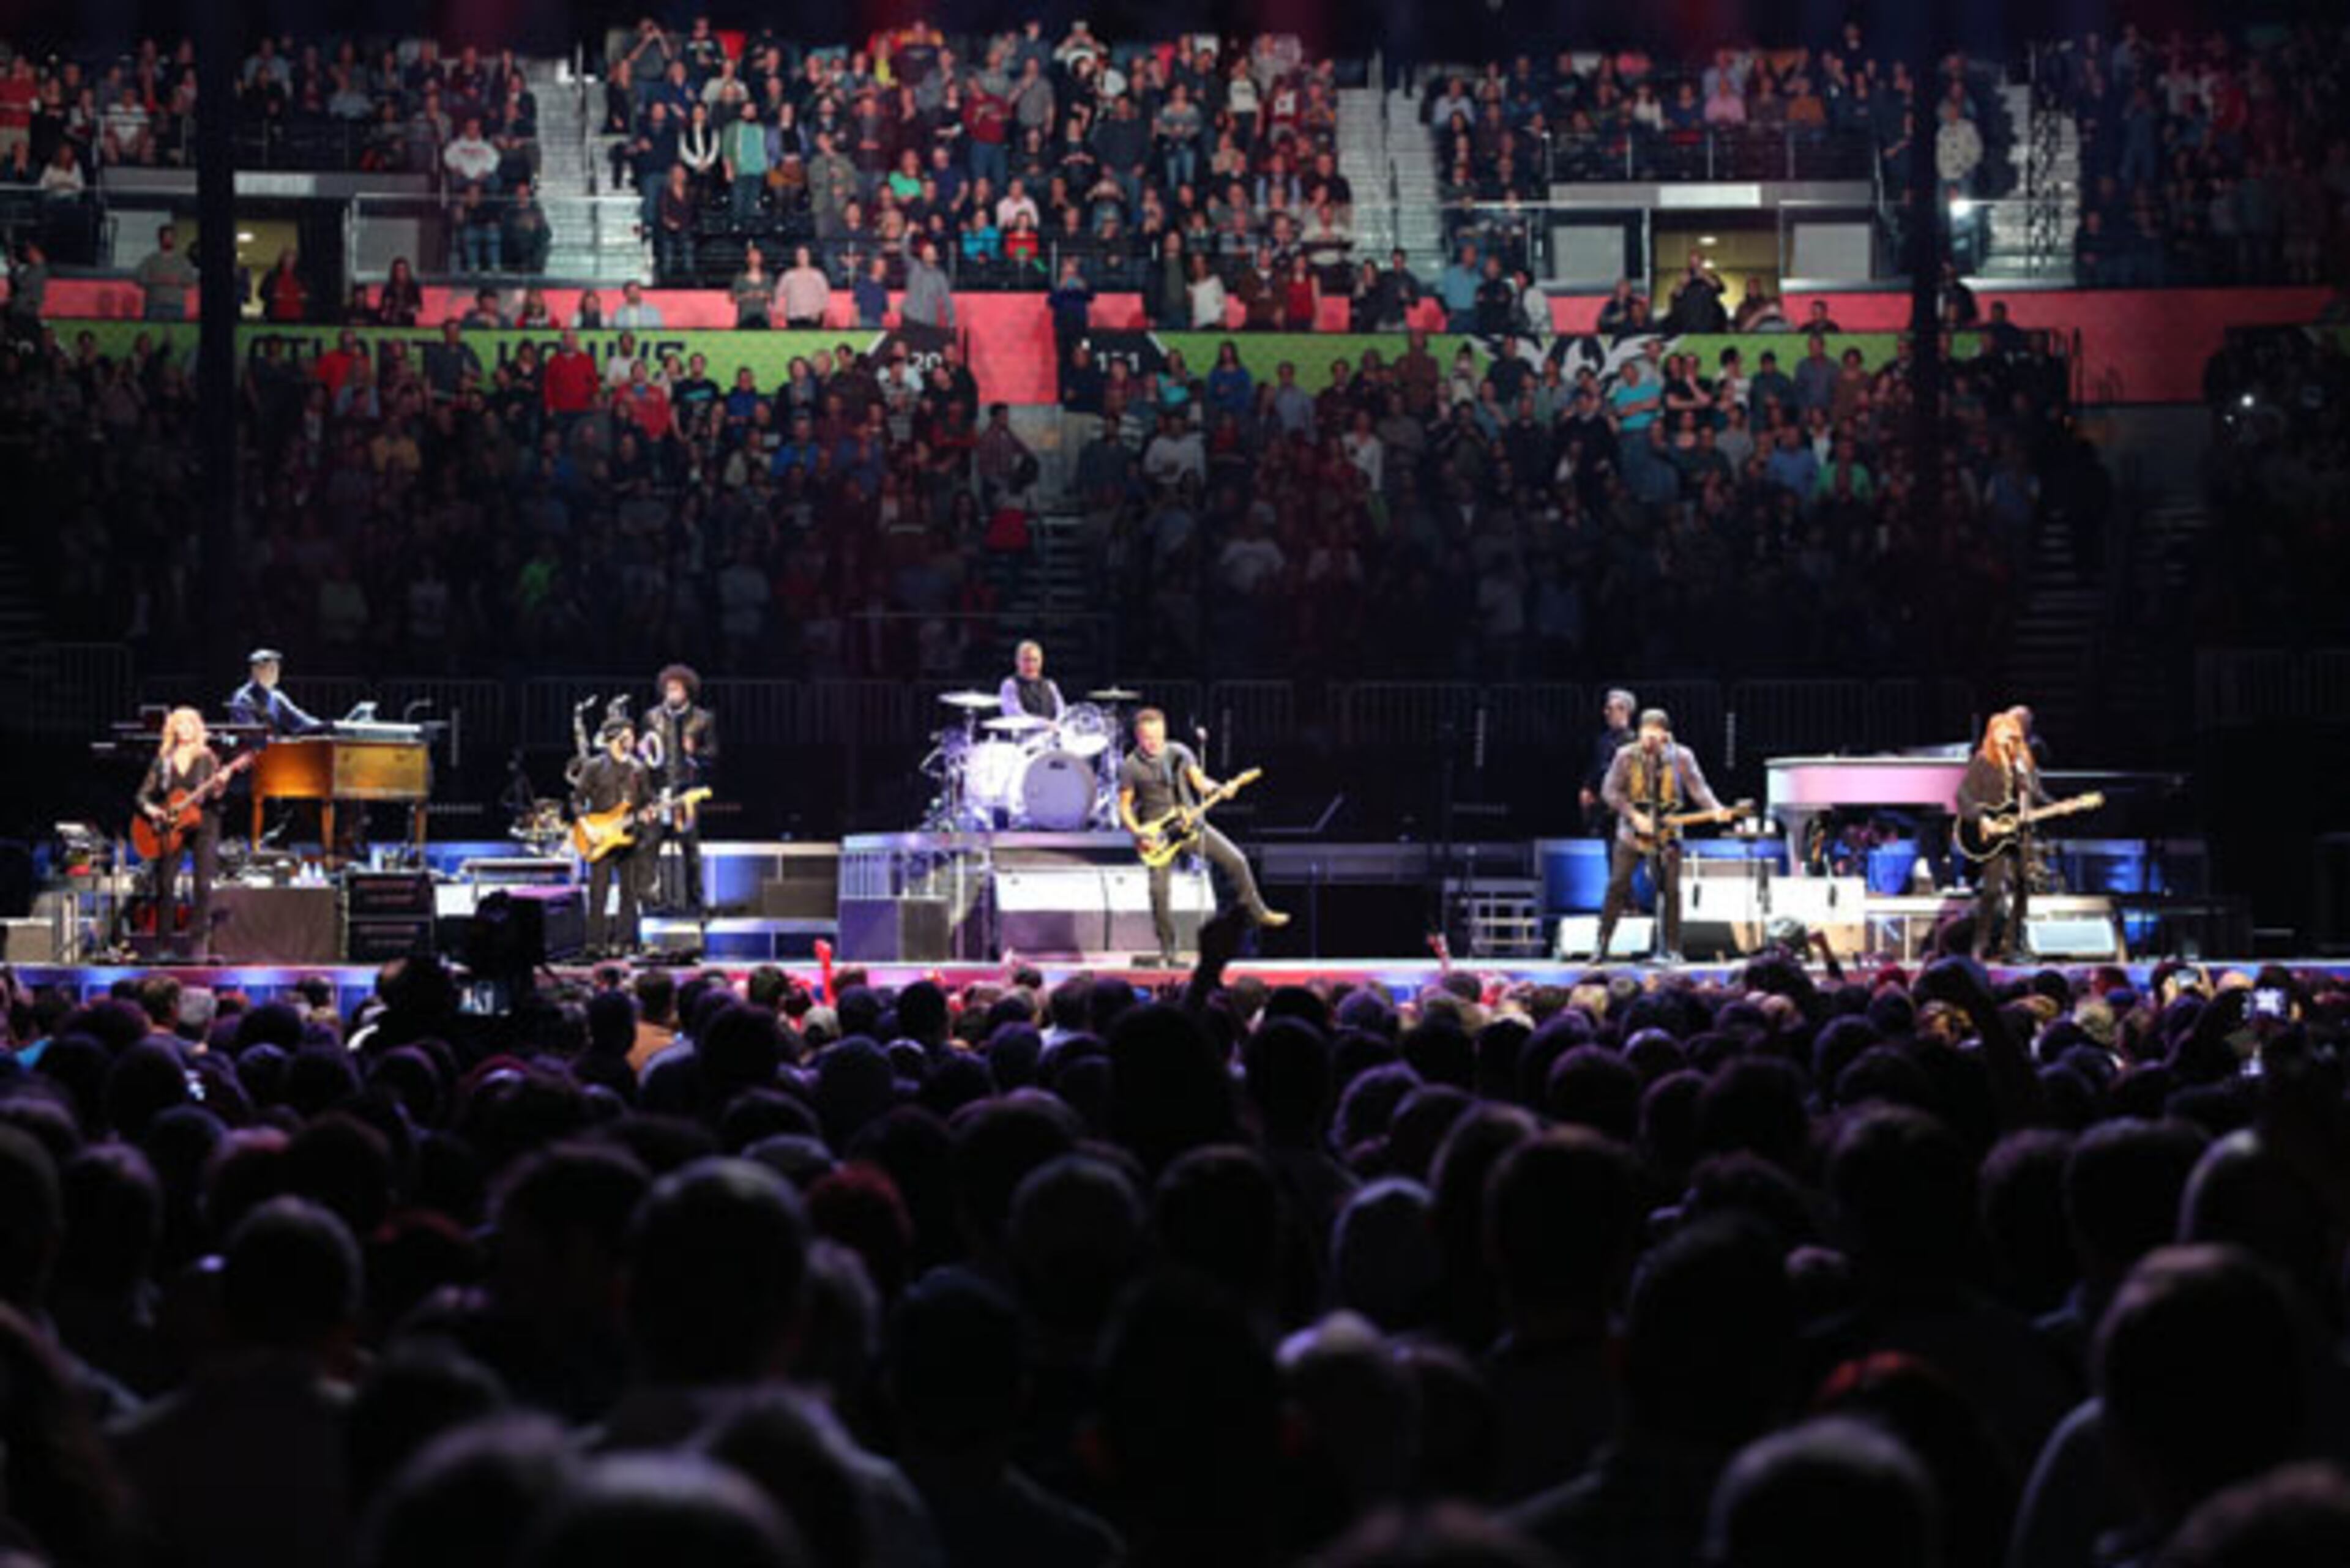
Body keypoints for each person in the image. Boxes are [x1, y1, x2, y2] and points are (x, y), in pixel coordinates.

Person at [1117, 707, 1285, 967]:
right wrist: (1138, 832)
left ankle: (1256, 910)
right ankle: (1168, 951)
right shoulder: (1130, 766)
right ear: (1138, 736)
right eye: (1148, 738)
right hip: (1158, 836)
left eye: (1159, 737)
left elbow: (1200, 783)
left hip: (1190, 826)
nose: (1154, 743)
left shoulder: (1179, 753)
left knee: (1237, 860)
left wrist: (1219, 788)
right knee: (1159, 892)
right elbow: (1125, 807)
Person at [1595, 708, 1725, 963]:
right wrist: (1634, 816)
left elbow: (1698, 787)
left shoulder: (1682, 756)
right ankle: (1602, 944)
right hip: (1631, 833)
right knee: (1617, 885)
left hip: (1667, 832)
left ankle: (1673, 949)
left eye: (1654, 736)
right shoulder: (1625, 756)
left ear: (1665, 735)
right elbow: (1609, 791)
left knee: (1670, 890)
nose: (1649, 741)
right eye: (1645, 735)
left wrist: (1716, 809)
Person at [1955, 707, 2048, 963]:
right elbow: (1963, 795)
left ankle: (2013, 945)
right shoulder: (1985, 760)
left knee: (2022, 888)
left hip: (2021, 833)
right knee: (1992, 891)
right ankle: (1980, 945)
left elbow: (2036, 793)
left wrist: (2059, 805)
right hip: (1997, 834)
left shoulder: (2025, 761)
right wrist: (1981, 817)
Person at [135, 707, 221, 961]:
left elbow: (215, 795)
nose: (184, 729)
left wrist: (221, 785)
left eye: (189, 724)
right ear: (173, 730)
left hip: (204, 823)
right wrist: (153, 811)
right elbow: (142, 796)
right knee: (165, 884)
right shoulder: (164, 760)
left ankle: (198, 946)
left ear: (197, 729)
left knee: (203, 885)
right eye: (179, 725)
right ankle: (163, 945)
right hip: (171, 826)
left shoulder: (207, 757)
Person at [639, 663, 717, 916]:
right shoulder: (652, 717)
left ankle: (696, 902)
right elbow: (645, 756)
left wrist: (695, 752)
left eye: (676, 689)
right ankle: (649, 900)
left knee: (690, 848)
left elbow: (713, 755)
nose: (670, 694)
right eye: (667, 689)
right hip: (658, 792)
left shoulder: (703, 719)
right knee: (650, 845)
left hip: (686, 794)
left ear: (687, 691)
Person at [575, 717, 649, 958]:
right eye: (629, 735)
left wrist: (649, 814)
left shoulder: (638, 769)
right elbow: (576, 800)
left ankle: (624, 942)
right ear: (617, 738)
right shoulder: (594, 766)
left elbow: (647, 801)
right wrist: (587, 826)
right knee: (599, 892)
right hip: (599, 836)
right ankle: (595, 944)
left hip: (629, 836)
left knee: (630, 893)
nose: (634, 739)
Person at [228, 647, 327, 736]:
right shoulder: (243, 698)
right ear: (255, 671)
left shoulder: (277, 697)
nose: (275, 673)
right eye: (270, 669)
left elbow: (300, 721)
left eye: (276, 668)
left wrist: (327, 726)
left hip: (273, 750)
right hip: (249, 752)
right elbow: (248, 731)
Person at [1579, 687, 1636, 837]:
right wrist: (1588, 788)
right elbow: (1596, 768)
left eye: (1611, 709)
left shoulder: (1635, 742)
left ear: (1625, 711)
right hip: (1605, 809)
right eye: (1607, 709)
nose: (1606, 713)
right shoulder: (1602, 741)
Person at [134, 223, 196, 321]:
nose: (168, 240)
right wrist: (156, 280)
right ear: (160, 239)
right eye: (166, 237)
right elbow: (139, 279)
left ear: (175, 239)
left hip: (176, 306)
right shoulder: (150, 260)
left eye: (171, 237)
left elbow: (191, 281)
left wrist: (177, 281)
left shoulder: (182, 261)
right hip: (154, 305)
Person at [997, 639, 1066, 723]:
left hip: (1052, 733)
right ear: (1017, 661)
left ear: (1041, 661)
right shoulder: (1009, 685)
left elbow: (1062, 712)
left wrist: (1057, 723)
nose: (1031, 665)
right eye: (1026, 660)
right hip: (1023, 735)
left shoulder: (1050, 685)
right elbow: (1014, 715)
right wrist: (1042, 724)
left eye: (1035, 660)